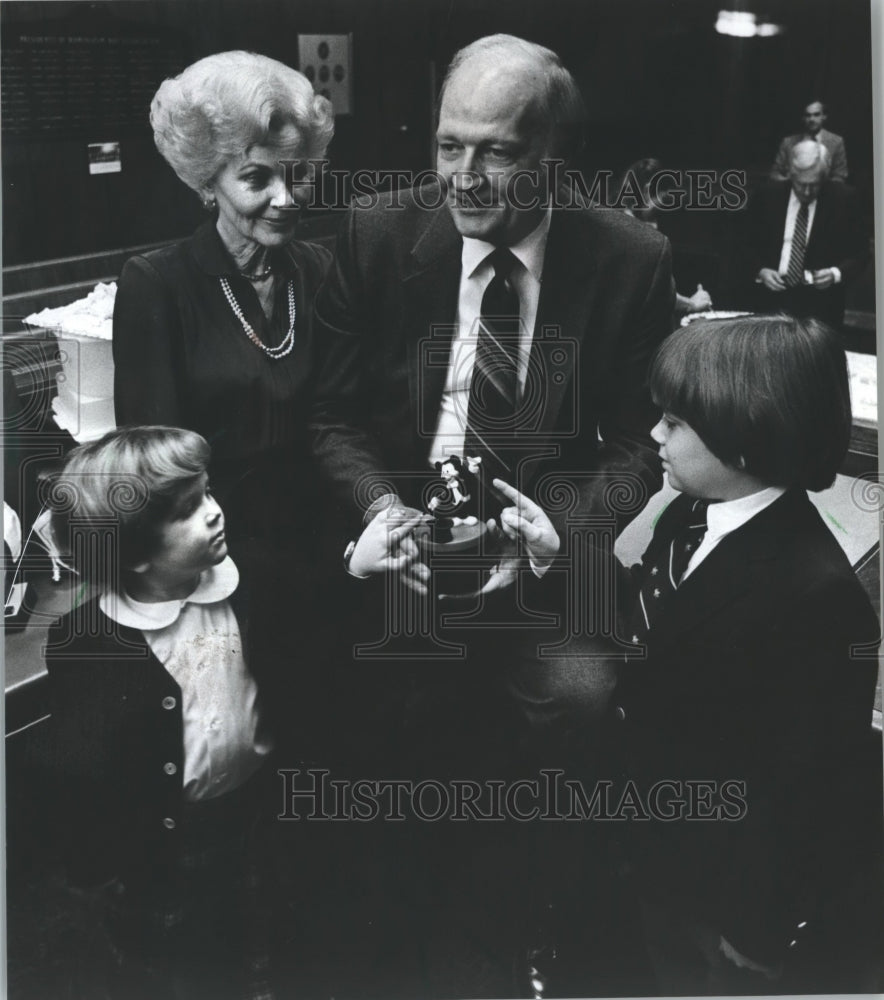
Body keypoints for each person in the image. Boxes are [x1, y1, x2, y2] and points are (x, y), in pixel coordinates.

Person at [312, 32, 674, 744]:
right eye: (449, 146)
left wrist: (552, 537)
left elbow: (640, 441)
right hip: (402, 557)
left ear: (555, 161)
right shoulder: (377, 232)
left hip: (544, 562)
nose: (464, 177)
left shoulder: (631, 259)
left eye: (497, 153)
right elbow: (331, 416)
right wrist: (382, 511)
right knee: (357, 718)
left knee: (581, 699)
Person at [502, 314, 879, 994]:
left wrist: (757, 931)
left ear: (743, 440)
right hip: (638, 846)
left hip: (710, 899)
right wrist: (559, 557)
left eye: (674, 423)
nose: (654, 436)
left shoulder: (817, 599)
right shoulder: (693, 513)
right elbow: (656, 620)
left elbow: (809, 791)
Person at [43, 425, 413, 999]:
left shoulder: (251, 578)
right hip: (172, 849)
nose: (215, 513)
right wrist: (103, 869)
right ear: (134, 552)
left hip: (263, 816)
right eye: (188, 510)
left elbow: (319, 611)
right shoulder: (84, 640)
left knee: (268, 940)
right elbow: (81, 771)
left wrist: (356, 569)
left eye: (209, 493)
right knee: (182, 964)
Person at [112, 51, 335, 744]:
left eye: (297, 175)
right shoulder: (159, 285)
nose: (287, 198)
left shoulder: (320, 270)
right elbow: (158, 473)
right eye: (258, 178)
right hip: (222, 574)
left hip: (333, 554)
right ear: (207, 182)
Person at [747, 139, 866, 328]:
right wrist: (760, 270)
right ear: (790, 174)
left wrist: (836, 273)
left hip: (821, 305)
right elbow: (742, 243)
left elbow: (861, 253)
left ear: (825, 178)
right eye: (801, 184)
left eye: (815, 184)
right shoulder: (767, 196)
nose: (807, 191)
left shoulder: (846, 200)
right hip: (771, 299)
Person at [617, 157, 713, 315]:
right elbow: (646, 293)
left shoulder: (616, 220)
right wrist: (692, 304)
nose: (662, 207)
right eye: (664, 197)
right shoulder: (629, 233)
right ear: (649, 189)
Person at [771, 100, 848, 183]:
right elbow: (775, 173)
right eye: (808, 115)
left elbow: (840, 175)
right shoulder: (788, 142)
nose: (811, 119)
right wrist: (791, 183)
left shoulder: (836, 142)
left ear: (824, 116)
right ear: (803, 118)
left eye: (816, 115)